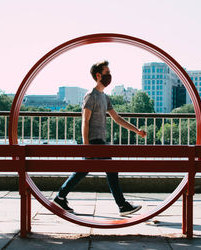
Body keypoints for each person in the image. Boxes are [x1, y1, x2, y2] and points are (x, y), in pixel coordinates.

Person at [54, 61, 147, 216]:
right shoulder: (91, 96)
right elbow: (85, 120)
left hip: (99, 141)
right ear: (98, 75)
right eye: (107, 73)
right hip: (93, 142)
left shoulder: (105, 97)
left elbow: (117, 118)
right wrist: (86, 145)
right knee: (111, 170)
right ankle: (122, 205)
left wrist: (136, 130)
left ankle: (60, 196)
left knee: (83, 171)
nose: (109, 76)